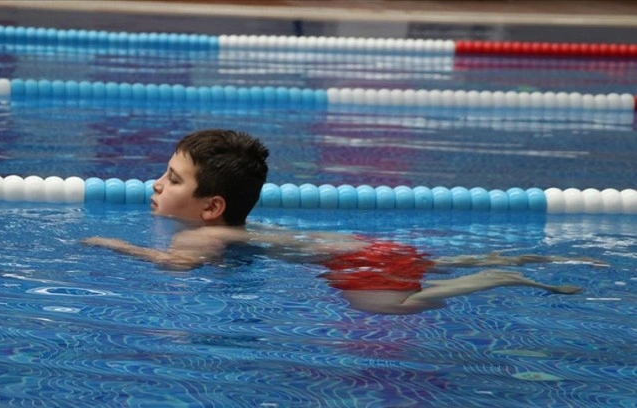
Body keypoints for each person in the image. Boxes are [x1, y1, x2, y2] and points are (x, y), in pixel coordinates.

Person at [82, 129, 606, 315]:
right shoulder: (236, 230)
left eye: (172, 180)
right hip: (353, 247)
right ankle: (525, 256)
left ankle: (503, 275)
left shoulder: (205, 237)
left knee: (405, 304)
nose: (155, 184)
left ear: (212, 206)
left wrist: (111, 245)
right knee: (439, 260)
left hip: (357, 265)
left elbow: (172, 267)